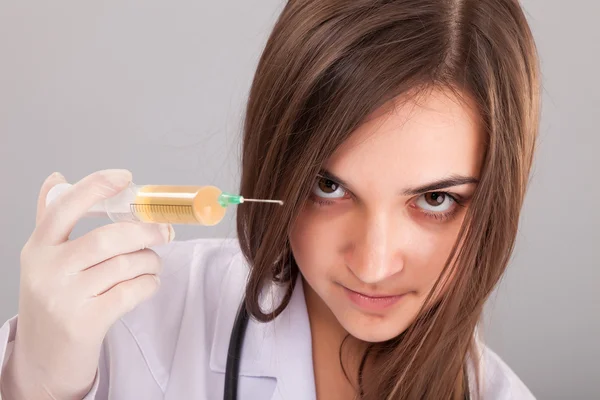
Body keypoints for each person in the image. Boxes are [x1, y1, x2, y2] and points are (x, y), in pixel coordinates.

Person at [0, 0, 541, 398]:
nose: (373, 264)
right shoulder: (135, 324)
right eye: (328, 187)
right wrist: (36, 382)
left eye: (436, 199)